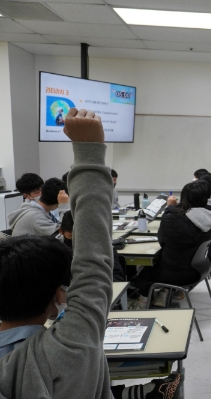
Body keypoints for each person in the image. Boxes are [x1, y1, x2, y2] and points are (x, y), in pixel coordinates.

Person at [0, 107, 171, 397]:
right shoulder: (71, 343)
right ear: (59, 294)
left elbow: (92, 264)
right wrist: (89, 151)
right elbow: (93, 261)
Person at [131, 159, 211, 309]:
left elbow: (161, 242)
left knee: (145, 269)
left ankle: (141, 303)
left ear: (185, 198)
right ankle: (166, 293)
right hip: (196, 272)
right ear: (206, 199)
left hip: (167, 274)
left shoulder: (170, 217)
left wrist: (169, 208)